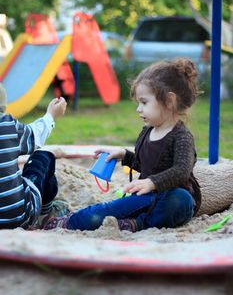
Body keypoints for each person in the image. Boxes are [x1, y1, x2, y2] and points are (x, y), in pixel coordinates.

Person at [44, 58, 201, 232]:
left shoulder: (182, 137)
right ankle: (71, 222)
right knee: (102, 212)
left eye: (144, 102)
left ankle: (138, 224)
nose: (138, 109)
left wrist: (152, 183)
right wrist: (124, 156)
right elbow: (148, 164)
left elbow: (181, 171)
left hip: (169, 200)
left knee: (180, 200)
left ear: (169, 101)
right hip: (145, 197)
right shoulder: (148, 131)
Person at [0, 83, 69, 229]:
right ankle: (46, 212)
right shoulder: (6, 126)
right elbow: (36, 135)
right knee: (43, 156)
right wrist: (51, 115)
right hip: (17, 216)